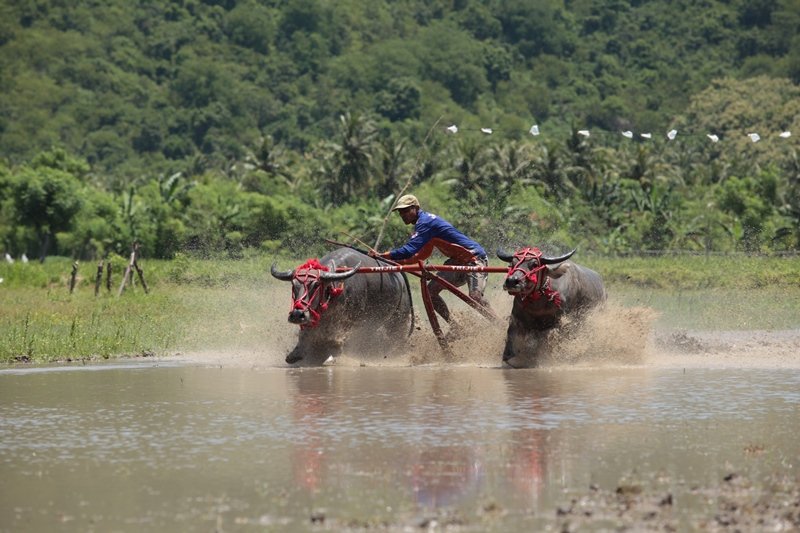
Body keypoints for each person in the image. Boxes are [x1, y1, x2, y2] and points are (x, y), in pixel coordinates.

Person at [370, 194, 492, 327]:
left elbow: (408, 250)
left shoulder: (425, 223)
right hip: (457, 261)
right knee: (430, 292)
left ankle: (501, 325)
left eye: (406, 210)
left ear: (416, 208)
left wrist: (382, 255)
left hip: (474, 258)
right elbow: (418, 257)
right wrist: (397, 264)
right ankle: (456, 327)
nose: (403, 215)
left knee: (475, 297)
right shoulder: (425, 226)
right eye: (400, 212)